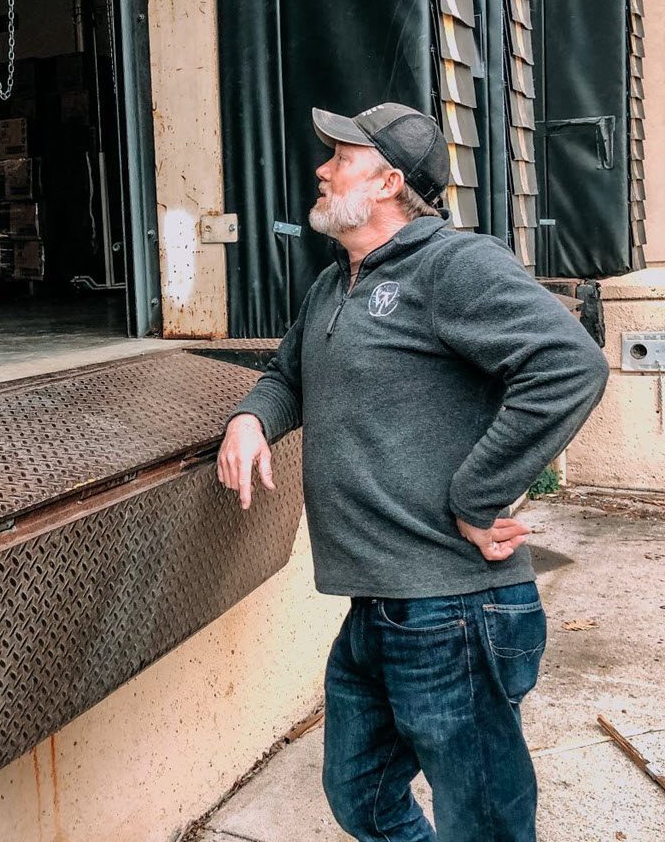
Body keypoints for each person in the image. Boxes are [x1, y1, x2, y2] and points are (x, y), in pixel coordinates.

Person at [217, 102, 609, 842]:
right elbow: (288, 376)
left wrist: (477, 494)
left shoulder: (455, 264)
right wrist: (251, 417)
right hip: (378, 603)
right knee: (360, 794)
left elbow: (569, 365)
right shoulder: (336, 284)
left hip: (455, 606)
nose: (322, 169)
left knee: (484, 822)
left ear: (389, 180)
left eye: (341, 158)